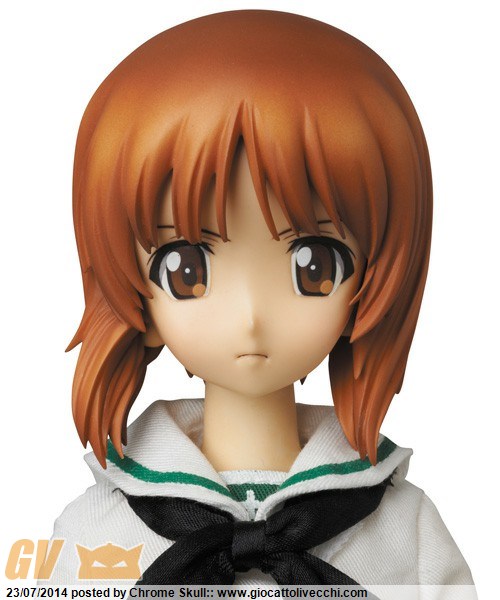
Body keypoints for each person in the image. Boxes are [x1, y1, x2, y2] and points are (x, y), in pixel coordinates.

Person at [48, 10, 474, 591]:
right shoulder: (94, 530)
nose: (250, 315)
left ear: (372, 286)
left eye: (314, 267)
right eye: (187, 270)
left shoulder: (401, 526)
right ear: (135, 300)